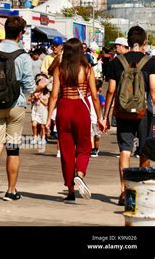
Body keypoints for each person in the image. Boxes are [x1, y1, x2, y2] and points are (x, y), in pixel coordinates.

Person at [0, 16, 36, 203]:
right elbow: (29, 86)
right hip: (16, 105)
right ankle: (11, 190)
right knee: (12, 149)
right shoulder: (23, 56)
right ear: (20, 34)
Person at [46, 38, 104, 202]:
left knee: (66, 151)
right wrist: (100, 118)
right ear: (80, 51)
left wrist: (49, 117)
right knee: (85, 146)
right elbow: (94, 96)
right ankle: (80, 173)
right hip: (81, 109)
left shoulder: (60, 69)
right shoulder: (87, 69)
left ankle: (70, 191)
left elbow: (54, 95)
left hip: (64, 108)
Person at [103, 26, 155, 206]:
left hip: (123, 112)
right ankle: (140, 192)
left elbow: (110, 90)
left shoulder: (117, 62)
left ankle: (124, 191)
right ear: (144, 43)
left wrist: (105, 115)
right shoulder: (150, 62)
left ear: (127, 40)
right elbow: (154, 90)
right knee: (144, 151)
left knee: (125, 151)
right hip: (144, 113)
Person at [91, 79, 105, 158]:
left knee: (91, 135)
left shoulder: (89, 96)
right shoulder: (100, 97)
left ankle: (92, 149)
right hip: (97, 118)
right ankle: (96, 149)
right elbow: (103, 105)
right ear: (100, 88)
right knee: (97, 136)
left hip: (90, 118)